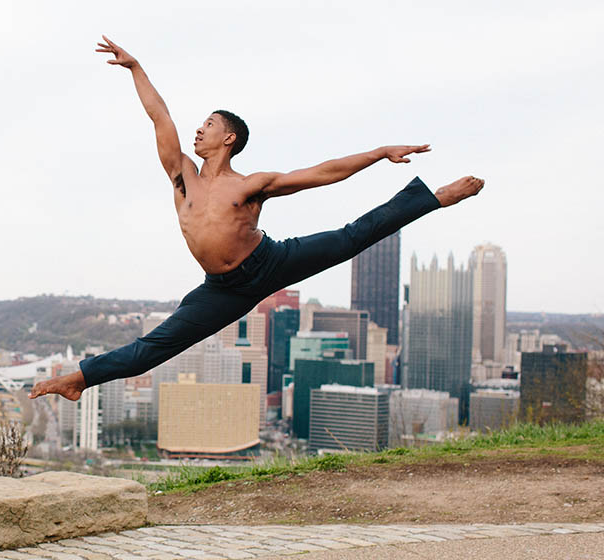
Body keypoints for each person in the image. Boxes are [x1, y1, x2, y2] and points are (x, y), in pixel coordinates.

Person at [29, 36, 483, 401]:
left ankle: (434, 198)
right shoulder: (181, 175)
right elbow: (158, 116)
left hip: (270, 263)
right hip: (221, 289)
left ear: (228, 138)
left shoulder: (249, 185)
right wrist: (135, 68)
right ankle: (81, 379)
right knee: (157, 346)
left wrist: (380, 152)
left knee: (351, 238)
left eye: (208, 124)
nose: (198, 129)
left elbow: (322, 174)